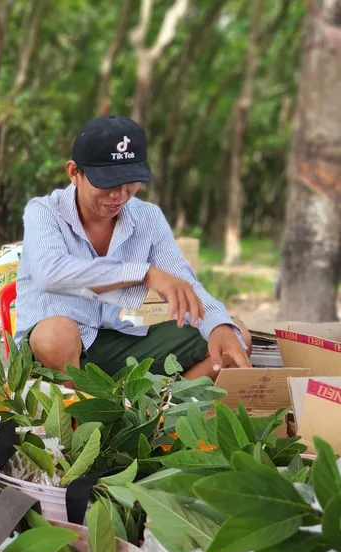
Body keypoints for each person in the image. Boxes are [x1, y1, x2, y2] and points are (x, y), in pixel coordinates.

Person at [14, 116, 251, 380]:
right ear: (74, 173)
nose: (119, 194)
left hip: (116, 339)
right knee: (56, 334)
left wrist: (217, 324)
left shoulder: (148, 217)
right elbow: (49, 274)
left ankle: (164, 404)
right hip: (53, 352)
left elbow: (184, 283)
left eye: (131, 181)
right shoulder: (44, 211)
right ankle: (79, 405)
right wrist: (143, 273)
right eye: (107, 181)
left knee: (235, 337)